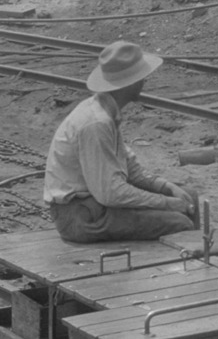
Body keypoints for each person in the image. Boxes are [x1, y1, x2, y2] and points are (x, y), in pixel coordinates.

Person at [44, 40, 198, 243]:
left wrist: (167, 188)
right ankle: (183, 268)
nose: (145, 81)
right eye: (141, 77)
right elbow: (111, 193)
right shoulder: (96, 124)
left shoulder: (105, 112)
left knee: (188, 195)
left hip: (92, 207)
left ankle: (198, 258)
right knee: (180, 223)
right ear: (130, 82)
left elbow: (130, 169)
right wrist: (166, 204)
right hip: (81, 217)